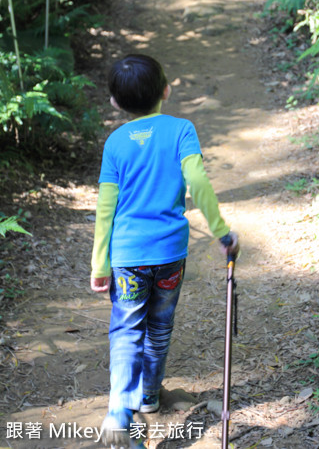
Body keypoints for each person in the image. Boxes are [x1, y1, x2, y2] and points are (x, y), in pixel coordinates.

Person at [90, 54, 238, 448]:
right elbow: (198, 183)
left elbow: (106, 209)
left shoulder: (116, 143)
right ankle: (149, 394)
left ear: (115, 104)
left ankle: (120, 412)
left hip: (126, 257)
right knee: (159, 326)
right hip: (170, 253)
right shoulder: (181, 130)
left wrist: (99, 263)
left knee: (126, 331)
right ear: (166, 90)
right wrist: (222, 232)